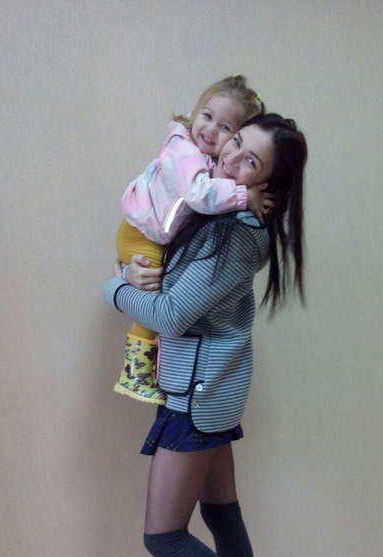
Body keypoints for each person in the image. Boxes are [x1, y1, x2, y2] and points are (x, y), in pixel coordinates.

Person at [103, 113, 308, 557]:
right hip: (206, 391)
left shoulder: (236, 235)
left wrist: (114, 288)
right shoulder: (214, 215)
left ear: (268, 185)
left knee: (163, 536)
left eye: (250, 161)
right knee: (222, 516)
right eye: (234, 144)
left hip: (197, 398)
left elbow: (170, 315)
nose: (230, 159)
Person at [115, 74, 269, 404]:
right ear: (195, 112)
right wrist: (245, 196)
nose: (211, 130)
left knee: (156, 291)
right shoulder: (184, 150)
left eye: (225, 128)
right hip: (139, 232)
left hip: (151, 233)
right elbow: (200, 194)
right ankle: (135, 373)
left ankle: (146, 368)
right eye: (207, 116)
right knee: (152, 292)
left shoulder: (208, 162)